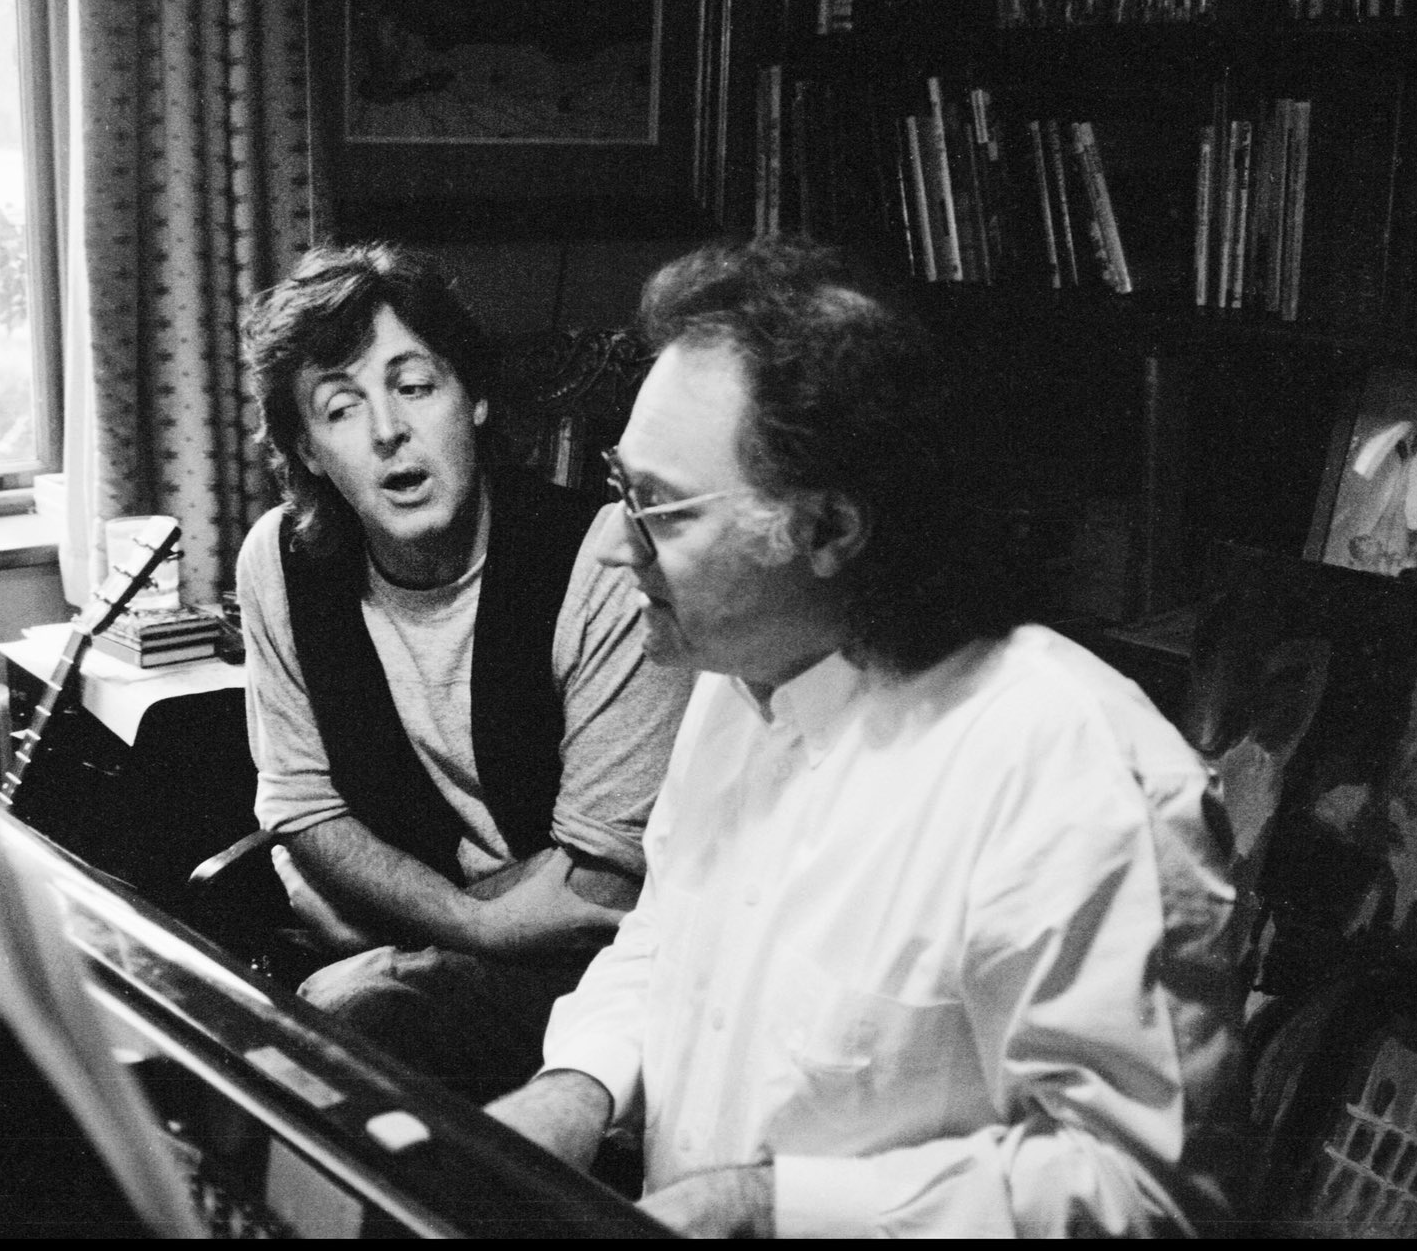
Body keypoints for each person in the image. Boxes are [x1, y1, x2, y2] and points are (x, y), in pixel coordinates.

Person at [485, 236, 1245, 1236]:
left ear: (829, 529)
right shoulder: (739, 677)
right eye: (619, 486)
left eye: (658, 508)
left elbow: (1149, 1196)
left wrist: (768, 1206)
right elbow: (668, 942)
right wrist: (576, 1088)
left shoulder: (1076, 776)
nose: (611, 545)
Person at [234, 243, 692, 1101]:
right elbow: (298, 807)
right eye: (340, 408)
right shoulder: (278, 563)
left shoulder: (604, 563)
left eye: (414, 387)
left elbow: (596, 888)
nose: (387, 431)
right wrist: (468, 922)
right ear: (308, 450)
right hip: (417, 957)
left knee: (345, 1027)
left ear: (474, 399)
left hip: (590, 984)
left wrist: (372, 917)